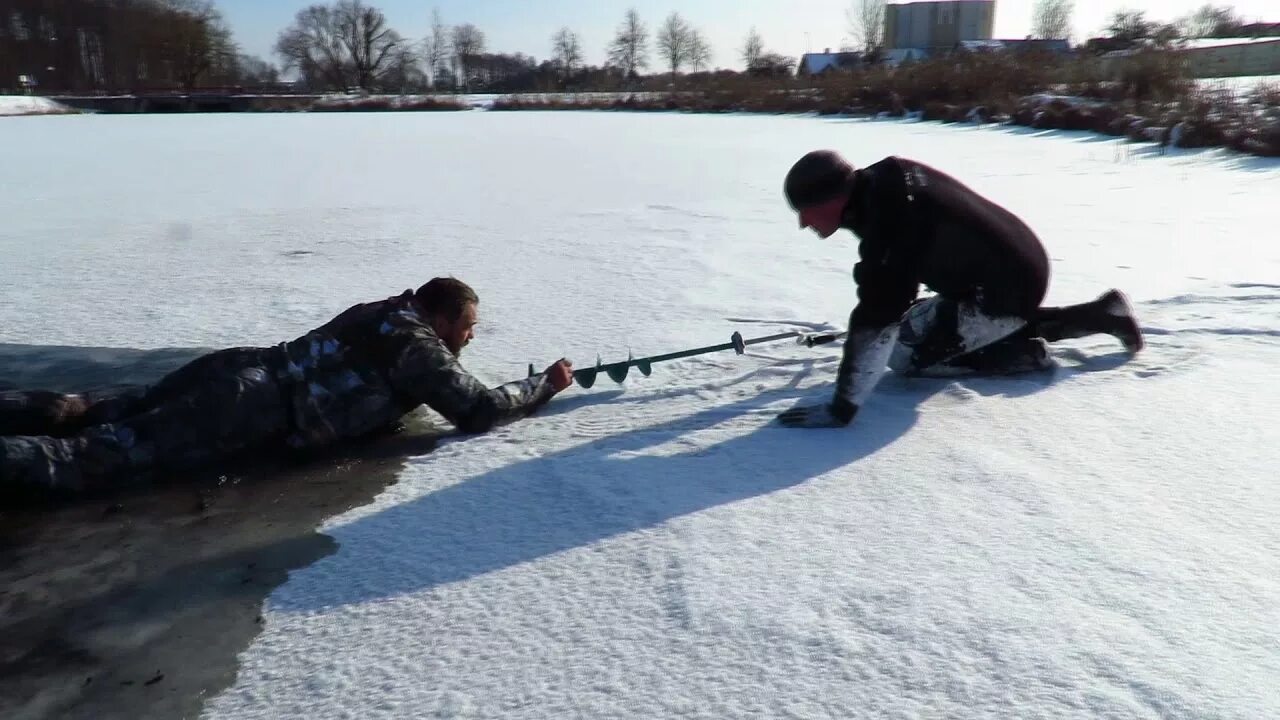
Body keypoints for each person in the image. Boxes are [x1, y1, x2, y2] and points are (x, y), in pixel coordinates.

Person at [0, 277, 575, 497]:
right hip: (247, 405)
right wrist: (542, 385)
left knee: (95, 410)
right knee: (93, 458)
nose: (470, 339)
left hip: (237, 368)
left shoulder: (382, 311)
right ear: (443, 317)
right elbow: (474, 410)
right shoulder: (419, 347)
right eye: (468, 328)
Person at [776, 151, 1144, 429]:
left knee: (903, 358)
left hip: (1004, 288)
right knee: (911, 331)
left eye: (805, 210)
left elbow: (878, 314)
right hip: (1012, 263)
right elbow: (892, 283)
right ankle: (1103, 315)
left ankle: (1021, 356)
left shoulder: (891, 219)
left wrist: (841, 408)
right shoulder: (881, 182)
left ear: (834, 198)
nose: (802, 222)